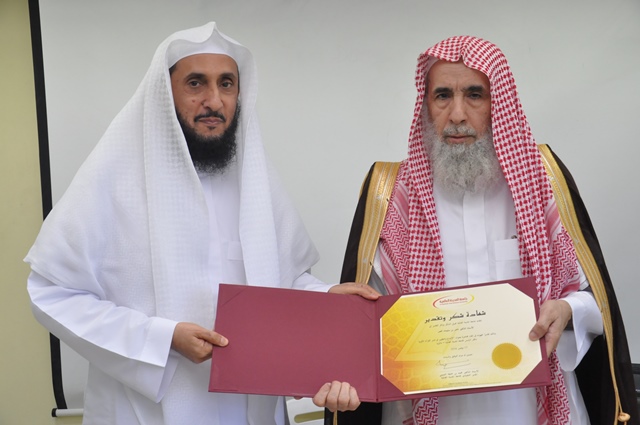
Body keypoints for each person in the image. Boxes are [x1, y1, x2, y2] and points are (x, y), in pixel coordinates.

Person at [25, 22, 373, 425]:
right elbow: (53, 293)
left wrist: (327, 297)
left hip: (251, 408)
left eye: (226, 84)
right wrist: (163, 339)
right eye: (196, 83)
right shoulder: (111, 181)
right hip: (145, 411)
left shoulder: (255, 182)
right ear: (166, 92)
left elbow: (283, 281)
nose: (214, 100)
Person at [326, 36, 638, 425]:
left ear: (499, 103)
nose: (457, 114)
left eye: (475, 95)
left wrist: (566, 310)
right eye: (443, 96)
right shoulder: (391, 195)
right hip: (423, 409)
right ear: (426, 105)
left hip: (528, 407)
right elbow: (365, 314)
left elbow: (596, 302)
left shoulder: (542, 181)